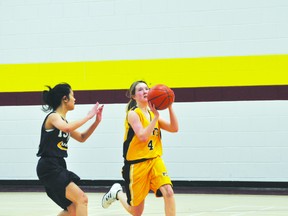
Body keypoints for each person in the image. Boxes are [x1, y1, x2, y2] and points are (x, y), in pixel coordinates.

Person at [102, 80, 179, 216]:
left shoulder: (152, 114)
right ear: (133, 96)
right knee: (136, 212)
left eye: (146, 89)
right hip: (136, 165)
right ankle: (117, 193)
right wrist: (156, 118)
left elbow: (174, 128)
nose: (144, 91)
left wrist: (170, 106)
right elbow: (143, 136)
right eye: (140, 90)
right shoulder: (133, 114)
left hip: (154, 160)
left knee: (168, 191)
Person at [36, 83, 104, 216]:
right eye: (73, 95)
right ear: (64, 99)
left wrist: (96, 121)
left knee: (72, 210)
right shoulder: (53, 117)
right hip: (49, 166)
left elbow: (82, 137)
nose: (75, 99)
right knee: (82, 199)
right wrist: (88, 116)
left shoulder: (65, 122)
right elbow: (67, 129)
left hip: (58, 165)